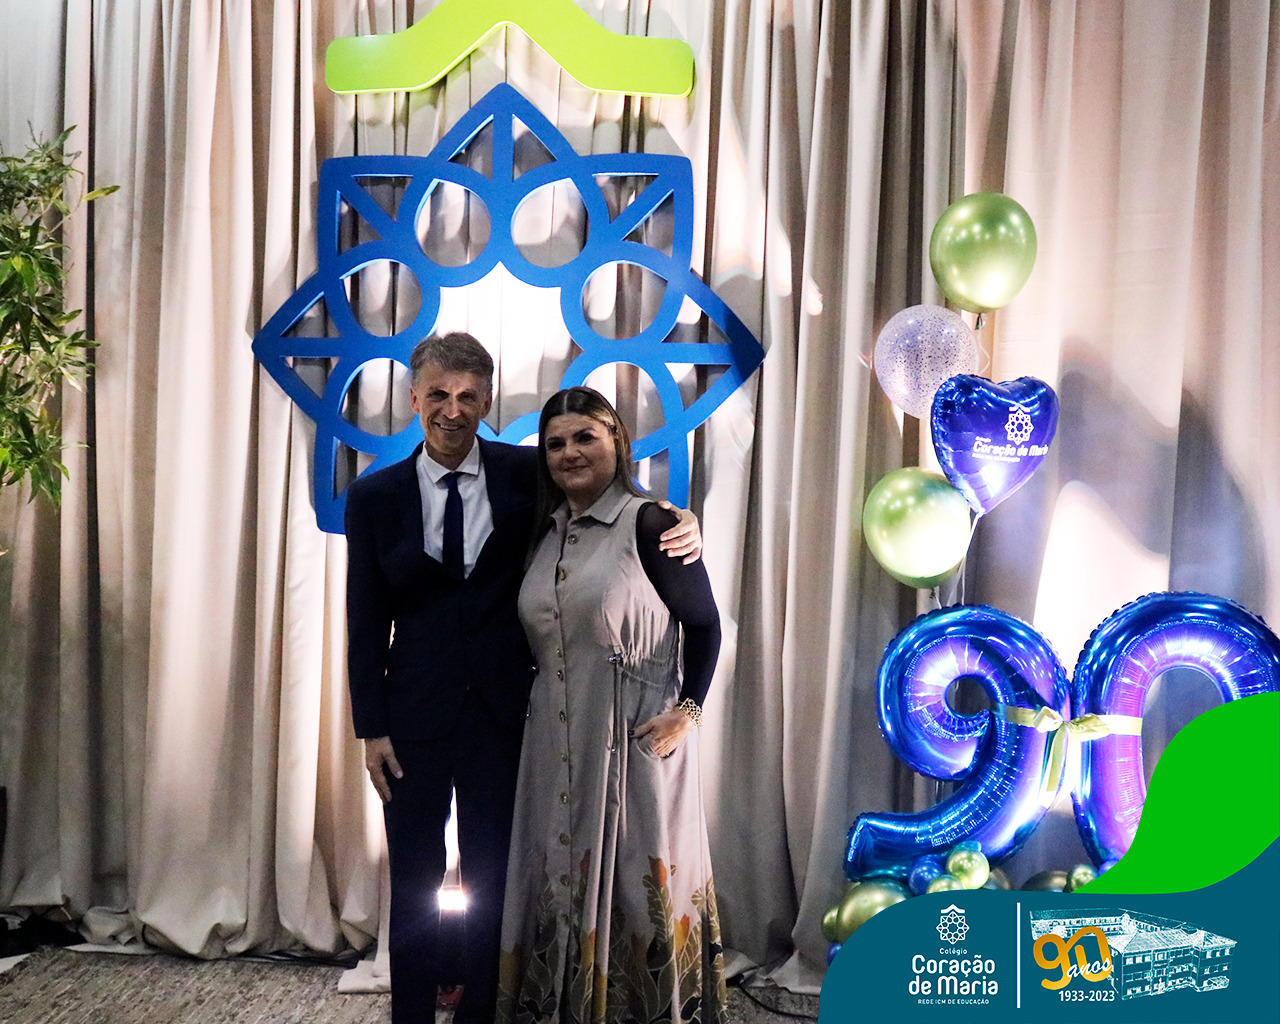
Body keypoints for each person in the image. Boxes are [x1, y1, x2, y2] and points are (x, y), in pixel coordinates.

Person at [344, 334, 701, 1024]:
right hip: (411, 720)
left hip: (506, 715)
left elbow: (607, 495)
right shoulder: (374, 497)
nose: (452, 410)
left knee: (495, 878)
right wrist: (371, 728)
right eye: (438, 395)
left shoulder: (524, 474)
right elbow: (364, 621)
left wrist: (681, 520)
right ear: (414, 399)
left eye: (467, 396)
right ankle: (411, 1014)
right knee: (414, 878)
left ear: (486, 401)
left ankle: (483, 1011)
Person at [497, 387, 729, 1024]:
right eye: (555, 444)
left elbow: (706, 625)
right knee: (557, 871)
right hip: (554, 741)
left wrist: (689, 711)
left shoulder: (651, 524)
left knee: (636, 882)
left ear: (617, 442)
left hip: (633, 740)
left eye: (585, 437)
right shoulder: (543, 533)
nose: (569, 453)